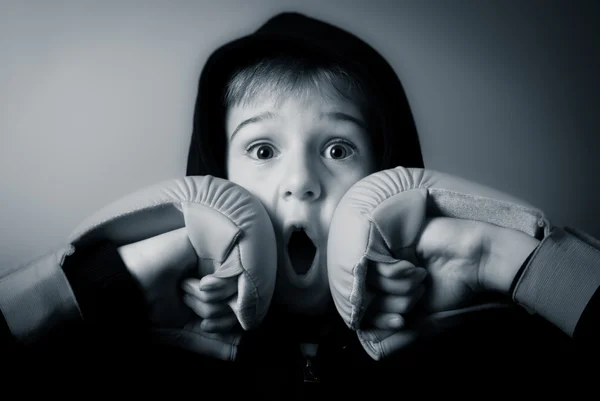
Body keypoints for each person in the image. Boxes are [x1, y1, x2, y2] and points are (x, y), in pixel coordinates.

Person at [1, 11, 598, 397]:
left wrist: (504, 259)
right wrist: (108, 286)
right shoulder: (124, 360)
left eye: (339, 147)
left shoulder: (489, 349)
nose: (301, 181)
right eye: (262, 149)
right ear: (215, 177)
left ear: (387, 176)